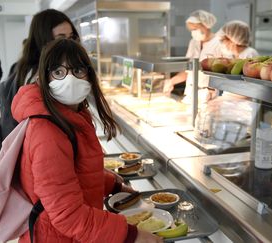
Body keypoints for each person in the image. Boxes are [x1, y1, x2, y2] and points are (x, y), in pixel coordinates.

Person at [12, 38, 162, 243]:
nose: (70, 79)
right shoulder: (47, 131)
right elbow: (68, 216)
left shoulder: (71, 115)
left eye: (77, 70)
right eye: (58, 72)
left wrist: (111, 184)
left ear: (89, 75)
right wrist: (130, 235)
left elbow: (70, 172)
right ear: (44, 79)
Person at [0, 9, 80, 149]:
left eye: (71, 37)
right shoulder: (39, 76)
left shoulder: (23, 67)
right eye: (61, 39)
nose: (69, 44)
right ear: (44, 41)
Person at [163, 10, 221, 103]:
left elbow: (223, 74)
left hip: (209, 97)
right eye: (191, 30)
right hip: (190, 94)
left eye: (195, 29)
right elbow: (188, 70)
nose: (193, 33)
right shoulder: (193, 42)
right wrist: (171, 81)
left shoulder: (219, 43)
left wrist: (212, 90)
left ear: (206, 25)